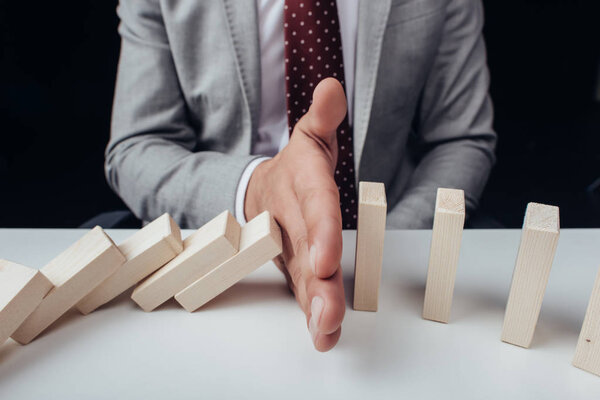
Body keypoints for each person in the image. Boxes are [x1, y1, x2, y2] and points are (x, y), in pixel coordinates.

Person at [106, 0, 496, 351]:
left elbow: (460, 139)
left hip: (389, 272)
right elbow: (138, 146)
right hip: (226, 273)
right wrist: (257, 190)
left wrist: (377, 248)